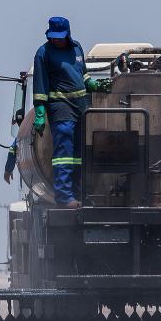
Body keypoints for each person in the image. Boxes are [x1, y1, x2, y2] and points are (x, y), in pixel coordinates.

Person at [32, 16, 110, 207]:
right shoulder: (43, 53)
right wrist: (40, 114)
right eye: (53, 36)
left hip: (81, 106)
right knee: (64, 153)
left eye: (60, 36)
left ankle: (79, 194)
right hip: (61, 106)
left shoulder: (77, 48)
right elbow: (40, 86)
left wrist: (93, 84)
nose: (56, 40)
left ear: (67, 34)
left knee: (79, 153)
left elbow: (83, 73)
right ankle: (65, 197)